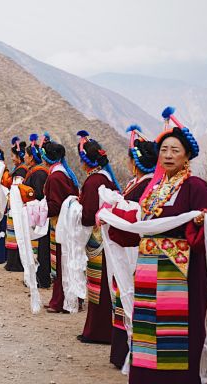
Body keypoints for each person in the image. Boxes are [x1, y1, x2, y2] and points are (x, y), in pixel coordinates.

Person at [125, 108, 207, 383]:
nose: (168, 155)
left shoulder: (196, 186)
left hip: (181, 276)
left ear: (187, 156)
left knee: (178, 336)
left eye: (175, 150)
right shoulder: (154, 189)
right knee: (148, 331)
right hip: (148, 274)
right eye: (164, 150)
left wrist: (202, 220)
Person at [108, 125, 157, 369]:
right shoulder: (136, 183)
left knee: (131, 297)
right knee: (122, 297)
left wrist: (113, 210)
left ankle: (129, 350)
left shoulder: (146, 187)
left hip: (134, 249)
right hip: (125, 247)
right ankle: (121, 351)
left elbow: (134, 217)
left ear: (136, 162)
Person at [75, 130, 122, 344]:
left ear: (87, 161)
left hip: (99, 239)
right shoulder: (103, 179)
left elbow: (88, 214)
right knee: (102, 285)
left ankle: (98, 331)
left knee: (100, 286)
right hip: (106, 239)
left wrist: (75, 208)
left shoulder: (94, 182)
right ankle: (97, 329)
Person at [39, 134, 80, 313]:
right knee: (61, 262)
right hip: (62, 223)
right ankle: (59, 298)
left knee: (63, 263)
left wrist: (37, 209)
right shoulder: (61, 173)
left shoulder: (56, 177)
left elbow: (55, 204)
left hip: (61, 223)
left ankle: (63, 301)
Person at [23, 134, 50, 288]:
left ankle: (42, 278)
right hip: (36, 214)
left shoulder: (39, 173)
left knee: (42, 248)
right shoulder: (34, 171)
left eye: (26, 155)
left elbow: (39, 194)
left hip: (40, 216)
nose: (24, 157)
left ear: (31, 158)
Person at [4, 137, 29, 272]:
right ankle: (12, 262)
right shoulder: (19, 169)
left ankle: (15, 264)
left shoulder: (21, 171)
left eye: (13, 156)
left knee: (17, 233)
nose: (12, 158)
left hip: (17, 206)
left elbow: (17, 189)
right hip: (14, 205)